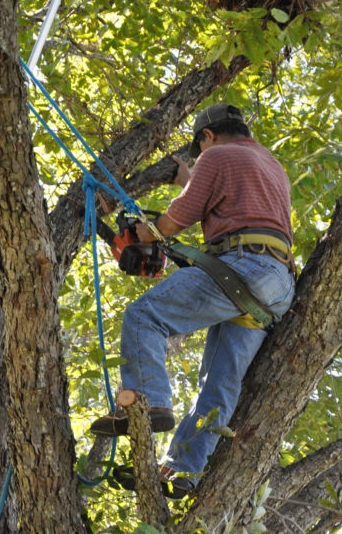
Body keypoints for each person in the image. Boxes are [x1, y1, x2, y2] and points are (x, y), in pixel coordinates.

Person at [90, 103, 296, 497]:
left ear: (207, 137)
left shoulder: (216, 156)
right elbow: (228, 199)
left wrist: (140, 234)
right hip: (276, 283)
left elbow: (173, 221)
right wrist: (190, 179)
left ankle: (149, 402)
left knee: (144, 316)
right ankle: (183, 469)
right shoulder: (270, 164)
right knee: (217, 384)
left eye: (200, 149)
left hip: (243, 267)